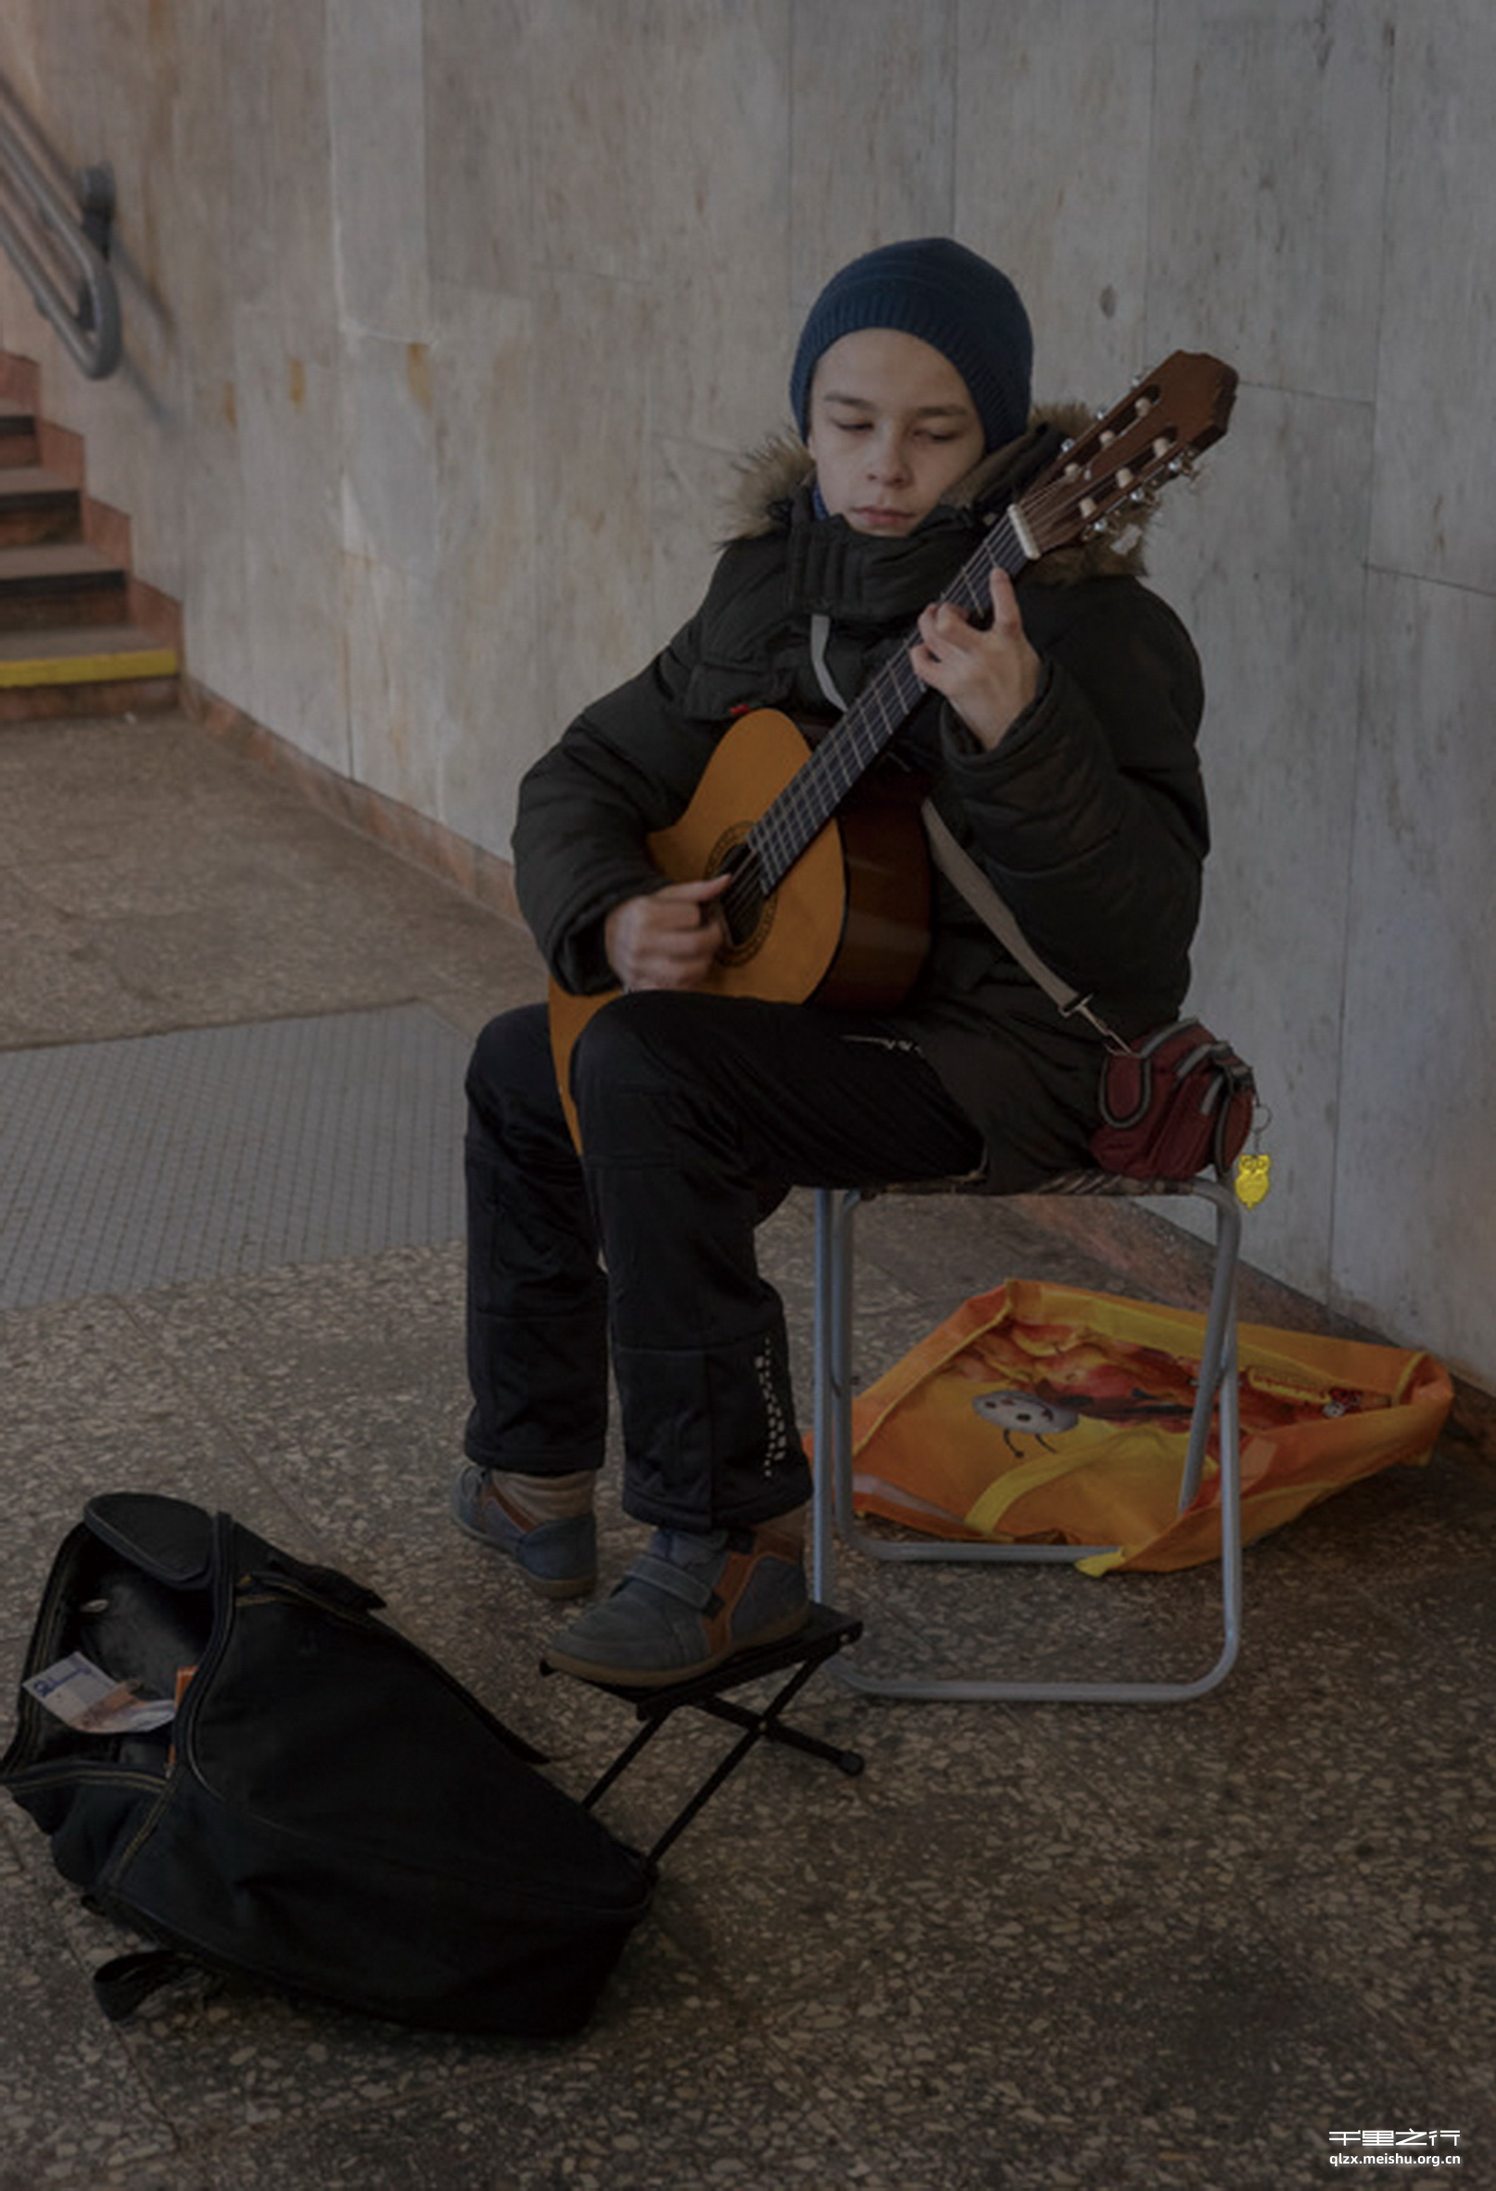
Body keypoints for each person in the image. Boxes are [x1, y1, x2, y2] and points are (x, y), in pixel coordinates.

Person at [454, 237, 1209, 1686]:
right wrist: (613, 911)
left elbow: (1139, 941)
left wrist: (1020, 732)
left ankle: (734, 1547)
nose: (884, 467)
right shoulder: (764, 588)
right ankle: (533, 1477)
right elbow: (584, 773)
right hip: (811, 1022)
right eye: (849, 425)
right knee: (522, 1059)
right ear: (808, 422)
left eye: (935, 434)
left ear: (1003, 444)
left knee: (642, 1068)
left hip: (1007, 1054)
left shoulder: (1090, 627)